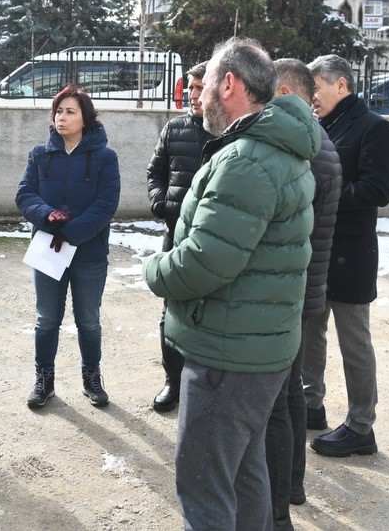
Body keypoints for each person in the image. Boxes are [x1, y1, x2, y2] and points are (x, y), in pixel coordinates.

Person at [142, 37, 319, 531]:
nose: (195, 99)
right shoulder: (273, 149)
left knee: (205, 486)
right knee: (244, 473)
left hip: (228, 356)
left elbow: (205, 263)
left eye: (202, 90)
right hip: (255, 350)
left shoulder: (246, 160)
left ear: (229, 84)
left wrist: (153, 270)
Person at [304, 54, 389, 458]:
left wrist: (323, 197)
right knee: (310, 330)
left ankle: (361, 426)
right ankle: (311, 405)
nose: (311, 98)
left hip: (352, 253)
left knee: (353, 341)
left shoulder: (376, 128)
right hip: (318, 249)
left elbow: (378, 191)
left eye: (316, 89)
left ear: (340, 85)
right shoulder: (319, 126)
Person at [264, 59, 342, 530]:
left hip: (295, 287)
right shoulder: (317, 140)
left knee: (281, 398)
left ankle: (282, 500)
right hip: (305, 286)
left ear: (286, 89)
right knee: (290, 393)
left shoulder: (307, 148)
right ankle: (292, 484)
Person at [16, 84, 121, 409]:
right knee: (46, 319)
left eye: (70, 111)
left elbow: (106, 204)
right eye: (58, 111)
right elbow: (24, 194)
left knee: (88, 320)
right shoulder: (39, 154)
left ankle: (91, 378)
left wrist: (70, 232)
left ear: (85, 118)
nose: (62, 117)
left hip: (88, 253)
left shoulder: (105, 157)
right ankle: (44, 380)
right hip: (48, 247)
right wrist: (47, 215)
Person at [145, 61, 212, 412]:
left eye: (200, 88)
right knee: (170, 309)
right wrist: (160, 202)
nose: (193, 94)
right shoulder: (174, 128)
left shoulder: (226, 131)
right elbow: (155, 170)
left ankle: (201, 383)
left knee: (207, 311)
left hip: (213, 237)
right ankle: (173, 381)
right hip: (174, 234)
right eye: (190, 87)